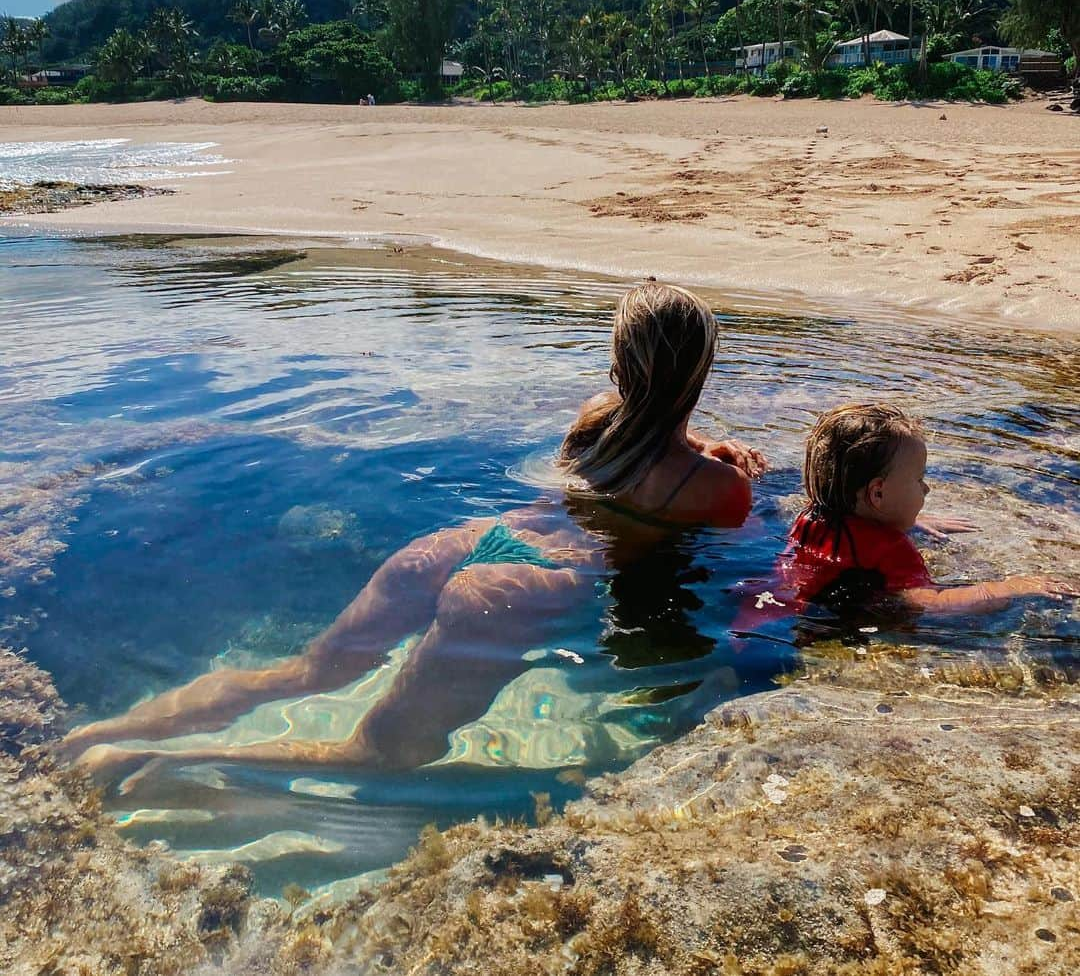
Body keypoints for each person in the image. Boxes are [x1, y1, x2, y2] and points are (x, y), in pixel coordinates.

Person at [64, 283, 766, 783]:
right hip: (528, 587)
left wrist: (705, 447)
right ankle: (175, 765)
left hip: (467, 541)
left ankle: (106, 733)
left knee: (304, 672)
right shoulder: (718, 487)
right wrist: (732, 468)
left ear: (619, 364)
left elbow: (648, 430)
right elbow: (720, 546)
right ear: (700, 371)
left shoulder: (593, 416)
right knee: (384, 752)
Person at [768, 403, 1074, 622]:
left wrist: (905, 517)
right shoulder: (892, 550)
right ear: (878, 494)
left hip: (790, 612)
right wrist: (1010, 587)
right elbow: (933, 604)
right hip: (840, 624)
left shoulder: (811, 517)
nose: (925, 489)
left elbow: (856, 537)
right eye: (919, 480)